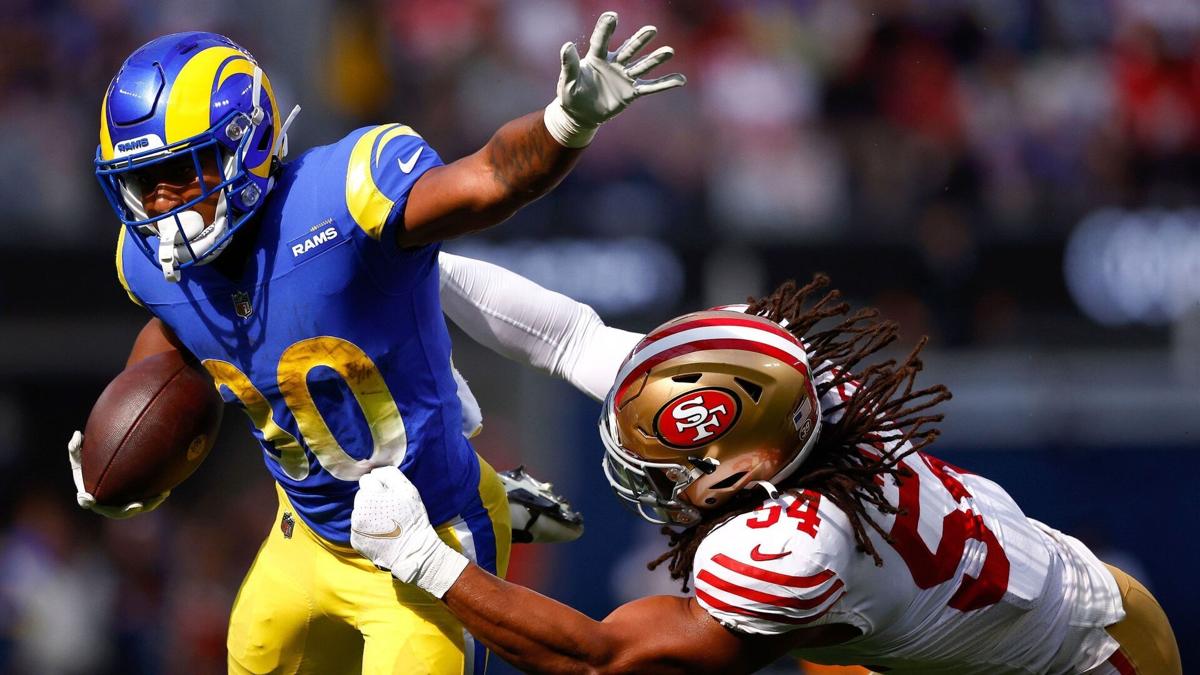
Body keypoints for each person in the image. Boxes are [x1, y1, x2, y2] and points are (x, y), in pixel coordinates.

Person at [70, 14, 684, 674]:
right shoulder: (145, 265)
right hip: (304, 535)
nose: (160, 207)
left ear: (242, 147)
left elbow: (490, 180)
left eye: (181, 173)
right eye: (143, 183)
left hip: (426, 534)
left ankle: (494, 492)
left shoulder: (342, 197)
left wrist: (565, 124)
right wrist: (123, 444)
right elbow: (170, 337)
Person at [353, 261, 1183, 674]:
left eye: (666, 467)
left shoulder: (795, 548)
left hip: (1085, 658)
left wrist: (425, 560)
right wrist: (398, 265)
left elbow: (602, 657)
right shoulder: (787, 387)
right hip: (974, 603)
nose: (652, 477)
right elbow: (568, 336)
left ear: (747, 471)